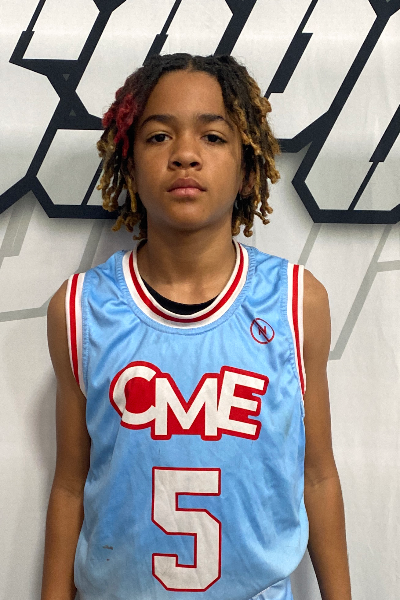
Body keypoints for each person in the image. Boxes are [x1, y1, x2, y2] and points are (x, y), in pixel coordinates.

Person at [41, 53, 351, 600]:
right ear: (129, 164)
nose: (185, 154)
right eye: (159, 136)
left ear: (248, 168)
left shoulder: (296, 303)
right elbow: (70, 483)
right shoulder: (80, 310)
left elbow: (318, 476)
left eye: (213, 136)